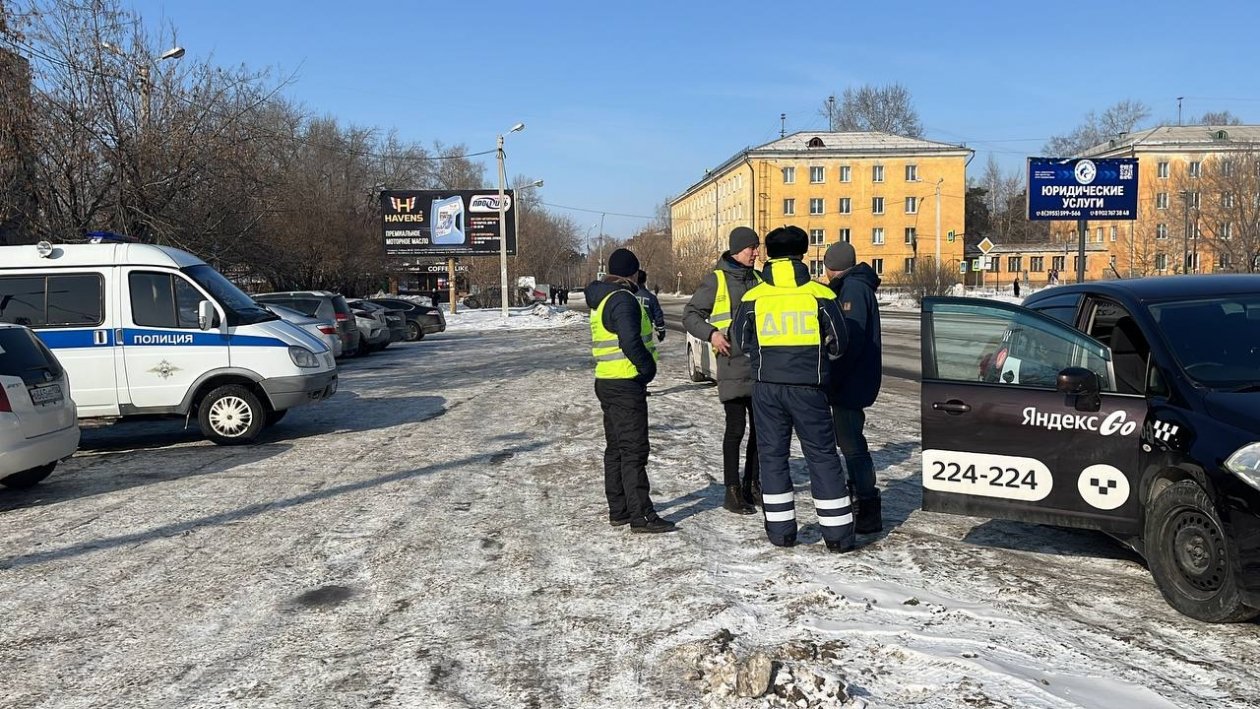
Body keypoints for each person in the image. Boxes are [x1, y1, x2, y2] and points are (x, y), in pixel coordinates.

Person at [732, 226, 855, 552]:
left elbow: (740, 341)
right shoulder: (820, 294)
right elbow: (840, 343)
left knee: (772, 458)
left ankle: (781, 533)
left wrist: (765, 358)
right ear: (803, 254)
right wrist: (818, 359)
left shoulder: (752, 297)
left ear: (769, 255)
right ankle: (838, 536)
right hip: (809, 388)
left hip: (767, 388)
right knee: (822, 456)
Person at [584, 248, 676, 533]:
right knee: (634, 451)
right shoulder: (623, 300)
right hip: (625, 383)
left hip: (607, 381)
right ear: (633, 273)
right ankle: (642, 515)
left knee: (616, 450)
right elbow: (629, 341)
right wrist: (647, 369)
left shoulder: (602, 299)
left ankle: (620, 510)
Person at [683, 226, 763, 515]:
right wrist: (713, 334)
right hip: (731, 365)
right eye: (751, 247)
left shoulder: (758, 278)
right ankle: (732, 491)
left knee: (762, 430)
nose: (756, 252)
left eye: (757, 247)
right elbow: (690, 315)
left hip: (759, 365)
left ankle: (753, 483)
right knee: (736, 429)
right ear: (736, 249)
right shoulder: (716, 279)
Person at [822, 241, 883, 534]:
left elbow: (850, 341)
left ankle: (866, 505)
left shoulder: (853, 290)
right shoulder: (855, 286)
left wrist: (832, 375)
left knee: (852, 444)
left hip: (851, 381)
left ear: (832, 266)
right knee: (850, 441)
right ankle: (860, 497)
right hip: (855, 379)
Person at [636, 270, 667, 342]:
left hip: (629, 331)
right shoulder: (651, 297)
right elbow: (658, 316)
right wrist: (661, 333)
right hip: (646, 334)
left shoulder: (628, 294)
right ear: (645, 280)